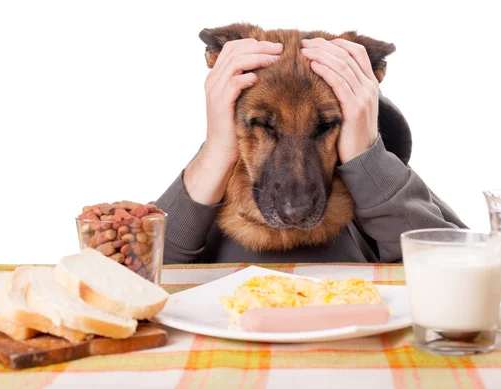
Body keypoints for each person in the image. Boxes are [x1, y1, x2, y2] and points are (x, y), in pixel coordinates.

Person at [154, 38, 466, 264]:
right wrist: (216, 153)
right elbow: (130, 279)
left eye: (325, 125)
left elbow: (461, 272)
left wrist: (366, 158)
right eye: (264, 124)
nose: (295, 206)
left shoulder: (379, 188)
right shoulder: (215, 180)